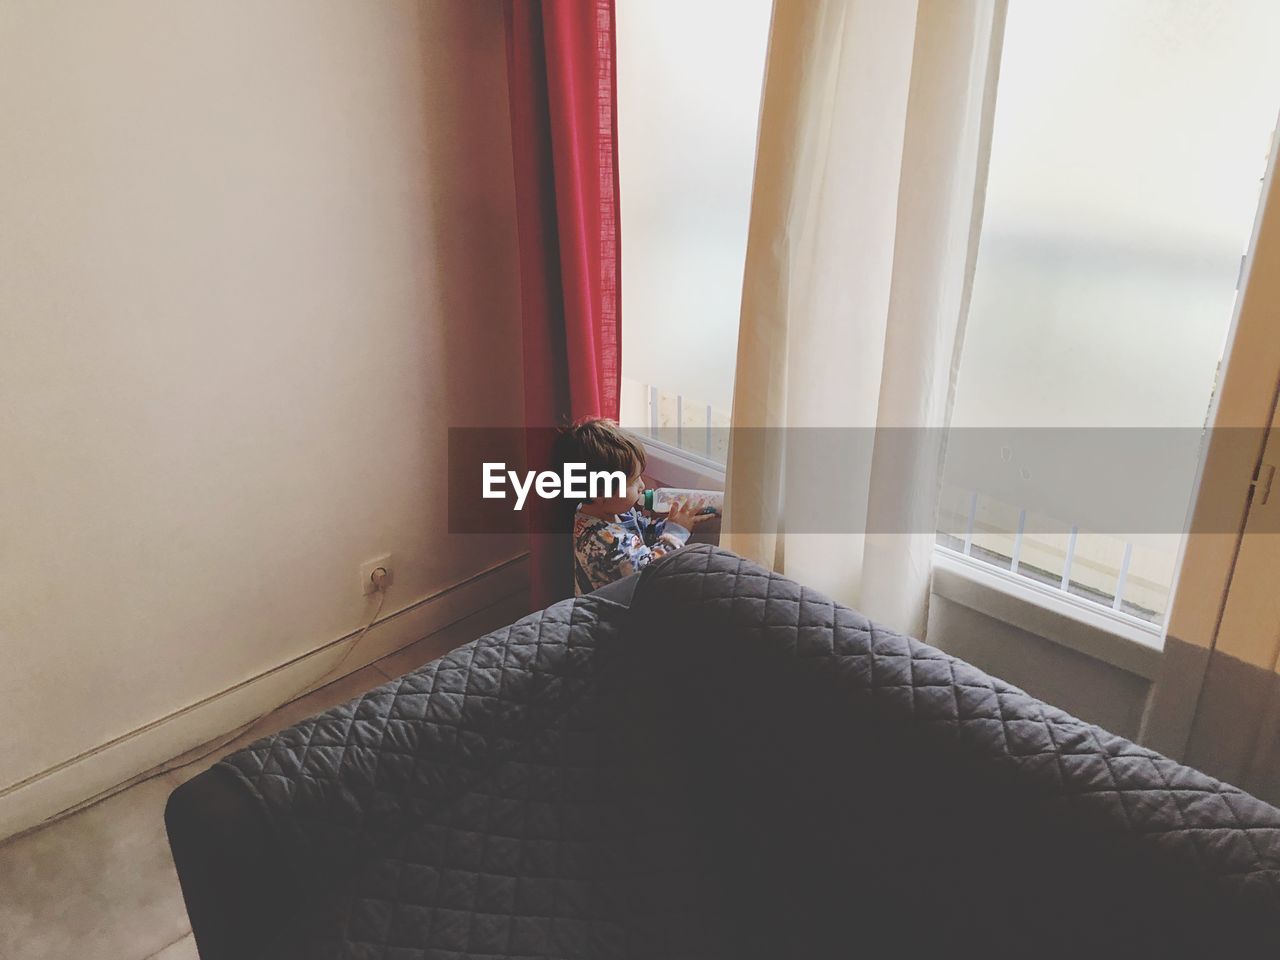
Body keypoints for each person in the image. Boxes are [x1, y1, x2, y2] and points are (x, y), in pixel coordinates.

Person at [557, 417, 715, 595]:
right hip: (611, 614)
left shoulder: (612, 512)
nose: (642, 486)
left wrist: (668, 524)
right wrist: (675, 532)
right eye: (633, 481)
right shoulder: (603, 542)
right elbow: (650, 571)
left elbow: (640, 535)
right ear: (601, 493)